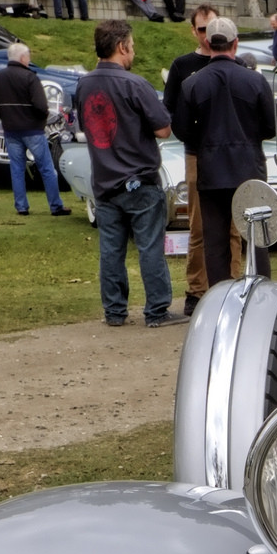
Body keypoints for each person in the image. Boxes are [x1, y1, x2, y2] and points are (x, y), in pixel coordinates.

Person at [76, 19, 181, 327]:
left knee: (111, 250)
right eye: (132, 46)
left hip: (105, 181)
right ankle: (157, 309)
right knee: (150, 247)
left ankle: (115, 311)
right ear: (122, 47)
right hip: (139, 180)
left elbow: (86, 126)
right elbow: (163, 128)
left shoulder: (84, 85)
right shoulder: (134, 84)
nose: (133, 52)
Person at [173, 15, 277, 290]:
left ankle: (219, 296)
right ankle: (262, 292)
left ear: (208, 42)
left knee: (215, 240)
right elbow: (271, 126)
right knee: (257, 237)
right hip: (249, 168)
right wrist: (249, 136)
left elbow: (182, 129)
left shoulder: (193, 84)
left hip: (211, 169)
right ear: (236, 43)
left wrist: (206, 141)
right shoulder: (255, 81)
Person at [163, 4, 233, 312]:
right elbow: (171, 112)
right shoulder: (183, 66)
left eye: (214, 28)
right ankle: (196, 289)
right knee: (199, 225)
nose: (209, 35)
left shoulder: (236, 64)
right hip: (197, 154)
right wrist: (193, 136)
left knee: (234, 225)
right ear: (194, 31)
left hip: (230, 155)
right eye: (203, 29)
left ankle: (233, 284)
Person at [0, 42, 69, 217]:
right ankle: (56, 206)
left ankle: (21, 207)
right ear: (23, 58)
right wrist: (41, 119)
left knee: (17, 169)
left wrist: (7, 116)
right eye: (28, 56)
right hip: (32, 130)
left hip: (11, 130)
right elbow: (41, 106)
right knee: (47, 168)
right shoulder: (30, 77)